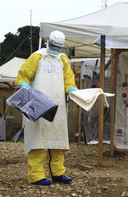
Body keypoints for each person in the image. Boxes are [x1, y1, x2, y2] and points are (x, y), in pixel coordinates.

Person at [16, 30, 78, 186]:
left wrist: (71, 88)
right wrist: (23, 84)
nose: (56, 49)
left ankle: (58, 173)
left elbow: (68, 79)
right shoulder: (37, 57)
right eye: (54, 46)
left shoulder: (62, 60)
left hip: (58, 104)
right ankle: (36, 175)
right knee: (38, 139)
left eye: (59, 47)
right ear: (48, 42)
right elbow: (24, 74)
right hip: (38, 103)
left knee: (58, 138)